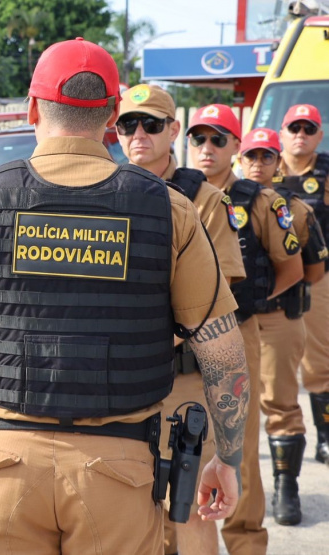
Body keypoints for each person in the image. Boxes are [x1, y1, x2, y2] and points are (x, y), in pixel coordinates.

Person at [0, 38, 250, 554]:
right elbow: (222, 349)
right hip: (120, 471)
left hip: (1, 467)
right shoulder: (170, 210)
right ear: (112, 115)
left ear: (33, 108)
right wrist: (229, 457)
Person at [115, 84, 245, 555]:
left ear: (173, 130)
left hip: (181, 378)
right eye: (128, 124)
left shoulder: (205, 199)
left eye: (151, 125)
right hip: (118, 376)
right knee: (121, 505)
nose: (139, 135)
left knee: (187, 503)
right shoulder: (104, 188)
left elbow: (215, 296)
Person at [187, 105, 303, 552]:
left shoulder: (260, 200)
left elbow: (291, 268)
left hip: (239, 334)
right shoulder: (176, 194)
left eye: (219, 139)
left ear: (236, 147)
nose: (208, 148)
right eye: (200, 139)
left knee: (239, 451)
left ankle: (246, 542)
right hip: (183, 343)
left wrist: (252, 301)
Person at [241, 126, 329, 526]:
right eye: (251, 157)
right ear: (240, 161)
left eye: (266, 157)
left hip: (278, 318)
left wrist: (265, 294)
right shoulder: (218, 203)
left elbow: (312, 272)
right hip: (233, 322)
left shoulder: (294, 209)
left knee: (279, 402)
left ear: (278, 163)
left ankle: (285, 487)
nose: (258, 164)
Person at [272, 104, 329, 514]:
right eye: (295, 128)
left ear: (318, 136)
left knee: (318, 361)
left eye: (309, 129)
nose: (301, 136)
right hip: (269, 279)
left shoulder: (324, 176)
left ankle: (325, 437)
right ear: (282, 131)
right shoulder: (263, 168)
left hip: (317, 275)